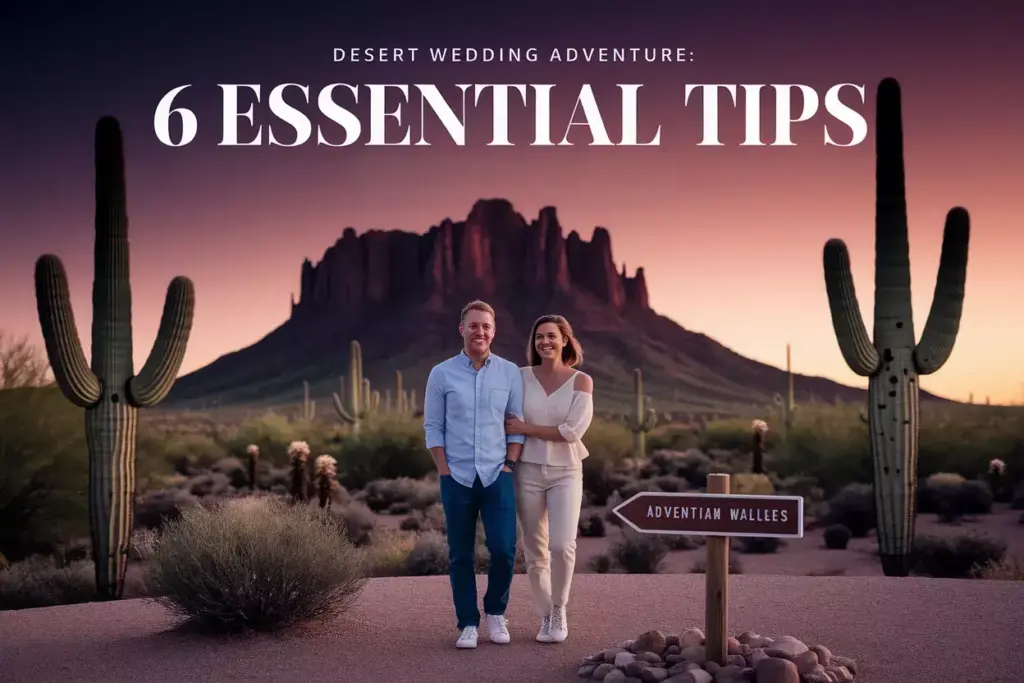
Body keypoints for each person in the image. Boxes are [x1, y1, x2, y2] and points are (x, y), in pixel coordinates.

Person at [423, 300, 526, 649]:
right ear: (462, 329)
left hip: (498, 476)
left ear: (494, 331)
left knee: (503, 549)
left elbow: (515, 423)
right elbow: (433, 426)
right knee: (461, 555)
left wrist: (509, 464)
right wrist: (444, 471)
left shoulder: (510, 372)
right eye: (474, 325)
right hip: (457, 478)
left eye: (486, 326)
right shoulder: (442, 373)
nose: (480, 331)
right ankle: (467, 622)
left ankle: (496, 612)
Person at [503, 314, 593, 644]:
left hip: (566, 471)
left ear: (565, 340)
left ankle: (560, 608)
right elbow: (505, 417)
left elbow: (572, 432)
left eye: (552, 336)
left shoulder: (581, 381)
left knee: (561, 545)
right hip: (526, 470)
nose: (545, 342)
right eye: (539, 336)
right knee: (534, 549)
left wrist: (526, 429)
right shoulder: (520, 376)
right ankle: (545, 614)